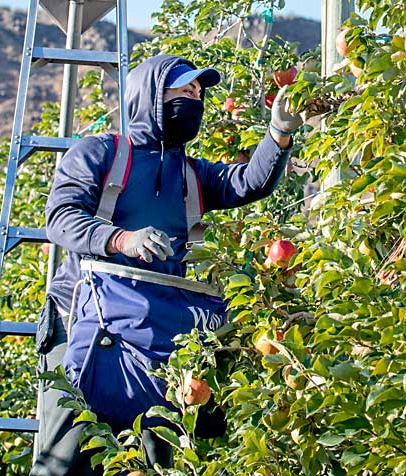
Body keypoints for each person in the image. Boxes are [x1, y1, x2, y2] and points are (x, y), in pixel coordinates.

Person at [30, 53, 302, 475]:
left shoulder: (191, 174)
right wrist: (120, 239)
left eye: (199, 92)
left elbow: (248, 182)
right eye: (184, 88)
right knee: (67, 458)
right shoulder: (100, 154)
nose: (195, 97)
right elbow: (60, 218)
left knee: (155, 463)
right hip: (84, 326)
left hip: (155, 332)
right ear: (152, 95)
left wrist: (279, 134)